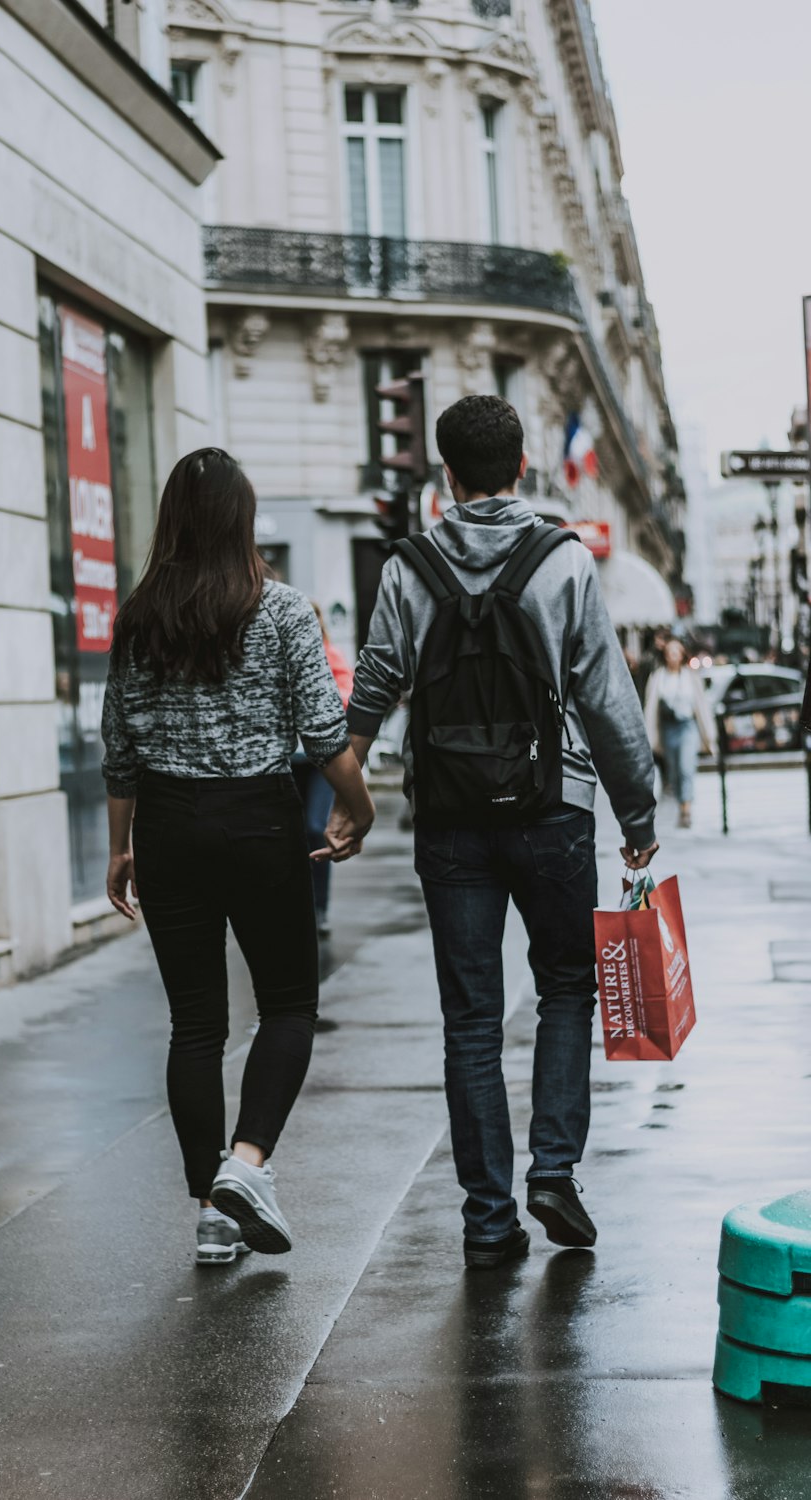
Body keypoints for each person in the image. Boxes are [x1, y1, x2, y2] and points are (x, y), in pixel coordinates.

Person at [328, 395, 658, 1270]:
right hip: (553, 811)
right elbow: (606, 697)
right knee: (564, 989)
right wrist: (639, 814)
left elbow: (375, 681)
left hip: (449, 823)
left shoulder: (409, 567)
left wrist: (346, 784)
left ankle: (486, 1219)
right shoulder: (563, 560)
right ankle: (554, 1169)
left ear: (445, 475)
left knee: (470, 1019)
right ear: (521, 468)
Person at [102, 449, 374, 1265]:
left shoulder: (138, 616)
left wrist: (121, 845)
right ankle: (247, 1165)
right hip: (258, 817)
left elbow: (118, 748)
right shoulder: (284, 609)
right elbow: (325, 734)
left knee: (196, 1024)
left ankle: (212, 1213)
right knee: (288, 1004)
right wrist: (358, 808)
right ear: (243, 521)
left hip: (170, 826)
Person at [292, 603, 354, 939]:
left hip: (321, 762)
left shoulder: (331, 657)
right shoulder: (279, 655)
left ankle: (319, 909)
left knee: (317, 828)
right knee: (289, 834)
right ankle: (294, 908)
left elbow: (346, 695)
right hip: (286, 762)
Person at [644, 637, 715, 829]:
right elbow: (651, 707)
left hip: (687, 726)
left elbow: (702, 705)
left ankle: (686, 809)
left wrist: (708, 733)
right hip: (668, 727)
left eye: (677, 651)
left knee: (686, 767)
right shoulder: (658, 676)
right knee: (674, 770)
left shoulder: (691, 676)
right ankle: (680, 800)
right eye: (670, 652)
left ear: (682, 654)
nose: (673, 655)